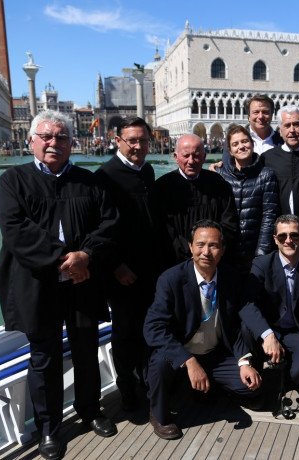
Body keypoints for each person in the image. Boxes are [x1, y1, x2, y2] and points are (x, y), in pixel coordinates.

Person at [0, 110, 119, 460]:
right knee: (44, 358)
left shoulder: (88, 182)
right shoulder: (12, 182)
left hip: (82, 282)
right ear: (31, 141)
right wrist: (66, 258)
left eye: (61, 137)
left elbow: (108, 224)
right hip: (38, 285)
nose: (53, 142)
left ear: (70, 143)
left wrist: (87, 256)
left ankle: (90, 410)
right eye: (46, 136)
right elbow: (16, 230)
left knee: (86, 348)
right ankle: (49, 428)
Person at [143, 220, 262, 440]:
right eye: (200, 244)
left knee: (249, 387)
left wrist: (244, 362)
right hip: (180, 353)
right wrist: (188, 360)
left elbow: (234, 325)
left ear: (223, 250)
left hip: (213, 353)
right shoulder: (171, 279)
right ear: (190, 247)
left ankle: (201, 389)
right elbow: (152, 328)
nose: (206, 252)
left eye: (213, 245)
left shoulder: (230, 277)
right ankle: (158, 413)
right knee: (159, 364)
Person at [95, 116, 160, 411]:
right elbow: (98, 229)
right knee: (125, 334)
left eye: (142, 140)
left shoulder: (147, 171)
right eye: (131, 140)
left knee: (149, 328)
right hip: (121, 273)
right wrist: (114, 266)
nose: (137, 146)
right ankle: (128, 393)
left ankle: (149, 383)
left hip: (149, 269)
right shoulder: (105, 176)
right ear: (117, 141)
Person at [239, 215, 299, 391]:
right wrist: (267, 334)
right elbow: (247, 304)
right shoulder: (262, 264)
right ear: (275, 239)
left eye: (294, 235)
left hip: (295, 331)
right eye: (283, 236)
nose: (288, 240)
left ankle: (285, 369)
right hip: (269, 328)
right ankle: (255, 363)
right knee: (247, 327)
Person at [154, 133, 239, 268]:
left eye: (197, 155)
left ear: (204, 157)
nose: (191, 161)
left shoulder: (218, 184)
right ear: (176, 157)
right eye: (186, 155)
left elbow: (229, 224)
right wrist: (189, 252)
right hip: (175, 262)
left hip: (213, 261)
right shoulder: (162, 188)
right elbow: (163, 230)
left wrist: (209, 250)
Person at [218, 124, 279, 273]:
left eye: (245, 141)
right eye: (235, 144)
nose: (241, 146)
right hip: (227, 252)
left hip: (254, 252)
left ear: (252, 144)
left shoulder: (266, 175)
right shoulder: (221, 175)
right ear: (230, 151)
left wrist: (261, 254)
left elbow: (269, 217)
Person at [262, 106, 299, 260]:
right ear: (280, 130)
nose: (292, 130)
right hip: (279, 236)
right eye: (287, 125)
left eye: (297, 124)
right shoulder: (267, 159)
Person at [214, 94, 284, 169]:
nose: (260, 116)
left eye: (265, 112)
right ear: (249, 116)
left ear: (272, 115)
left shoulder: (282, 141)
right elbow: (227, 169)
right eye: (256, 112)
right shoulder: (233, 142)